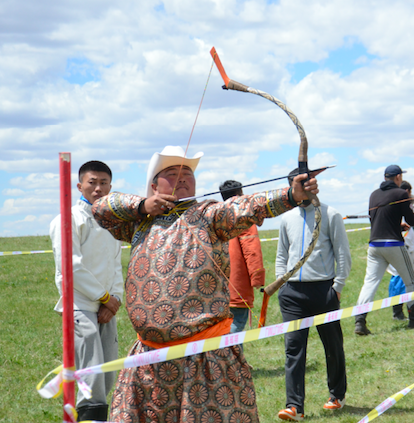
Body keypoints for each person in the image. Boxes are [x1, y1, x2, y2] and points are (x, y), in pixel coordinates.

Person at [92, 146, 319, 423]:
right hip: (150, 359)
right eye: (172, 173)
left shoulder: (208, 215)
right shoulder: (139, 223)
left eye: (187, 173)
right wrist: (142, 206)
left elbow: (245, 207)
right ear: (154, 186)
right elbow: (100, 208)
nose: (182, 177)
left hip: (204, 358)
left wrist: (291, 195)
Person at [49, 161, 124, 422]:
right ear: (80, 186)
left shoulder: (112, 221)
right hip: (80, 303)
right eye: (92, 183)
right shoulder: (68, 219)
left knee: (107, 370)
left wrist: (115, 299)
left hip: (107, 306)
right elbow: (71, 267)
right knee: (90, 372)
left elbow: (116, 263)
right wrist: (103, 297)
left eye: (104, 183)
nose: (98, 188)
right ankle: (91, 417)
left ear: (110, 187)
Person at [275, 169, 351, 421]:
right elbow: (281, 254)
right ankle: (294, 406)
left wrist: (337, 287)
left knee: (333, 345)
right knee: (293, 349)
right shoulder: (287, 218)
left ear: (313, 185)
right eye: (296, 185)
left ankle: (337, 395)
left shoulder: (331, 214)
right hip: (292, 294)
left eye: (305, 184)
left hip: (324, 290)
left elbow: (342, 253)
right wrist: (282, 283)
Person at [354, 165, 414, 336]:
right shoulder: (401, 194)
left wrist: (397, 226)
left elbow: (377, 220)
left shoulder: (374, 194)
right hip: (393, 244)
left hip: (374, 244)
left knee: (370, 283)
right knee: (412, 282)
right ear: (398, 177)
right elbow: (412, 220)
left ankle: (360, 321)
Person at [219, 180, 266, 333]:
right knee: (235, 328)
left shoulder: (216, 216)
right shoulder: (244, 217)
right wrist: (257, 278)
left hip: (214, 289)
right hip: (237, 287)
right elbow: (251, 249)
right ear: (239, 194)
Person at [386, 180, 414, 321]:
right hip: (401, 246)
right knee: (399, 280)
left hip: (410, 247)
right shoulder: (396, 205)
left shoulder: (409, 205)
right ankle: (397, 312)